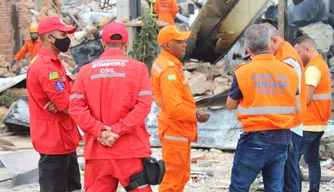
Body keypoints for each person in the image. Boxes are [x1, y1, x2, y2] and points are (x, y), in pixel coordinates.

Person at [69, 22, 153, 192]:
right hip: (129, 151)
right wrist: (117, 130)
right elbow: (143, 106)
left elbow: (75, 107)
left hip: (97, 152)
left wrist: (99, 131)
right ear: (127, 44)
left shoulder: (85, 71)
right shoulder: (138, 69)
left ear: (103, 44)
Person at [226, 24, 301, 192]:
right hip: (282, 139)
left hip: (254, 139)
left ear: (247, 48)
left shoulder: (243, 72)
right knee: (274, 188)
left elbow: (230, 105)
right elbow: (297, 106)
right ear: (269, 44)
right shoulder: (289, 72)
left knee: (239, 187)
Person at [151, 25, 210, 192]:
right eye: (179, 41)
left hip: (176, 132)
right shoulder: (169, 70)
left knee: (180, 177)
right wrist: (196, 114)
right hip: (175, 131)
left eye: (184, 40)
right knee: (173, 181)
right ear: (167, 45)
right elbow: (175, 108)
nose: (184, 44)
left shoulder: (168, 65)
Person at [26, 17, 82, 192]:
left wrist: (70, 98)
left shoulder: (55, 63)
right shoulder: (46, 67)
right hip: (54, 140)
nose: (67, 39)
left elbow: (68, 98)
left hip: (64, 138)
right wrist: (71, 100)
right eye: (63, 34)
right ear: (49, 38)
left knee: (72, 187)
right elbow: (67, 105)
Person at [261, 23, 307, 192]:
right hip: (286, 124)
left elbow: (285, 95)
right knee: (286, 171)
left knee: (289, 174)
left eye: (262, 46)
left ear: (274, 40)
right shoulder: (281, 53)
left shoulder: (287, 60)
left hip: (289, 125)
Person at [294, 35, 332, 192]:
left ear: (307, 49)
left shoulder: (312, 68)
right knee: (312, 159)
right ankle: (314, 189)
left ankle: (294, 189)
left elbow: (306, 98)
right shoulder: (322, 65)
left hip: (309, 123)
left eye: (298, 52)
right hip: (319, 122)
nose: (297, 57)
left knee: (293, 159)